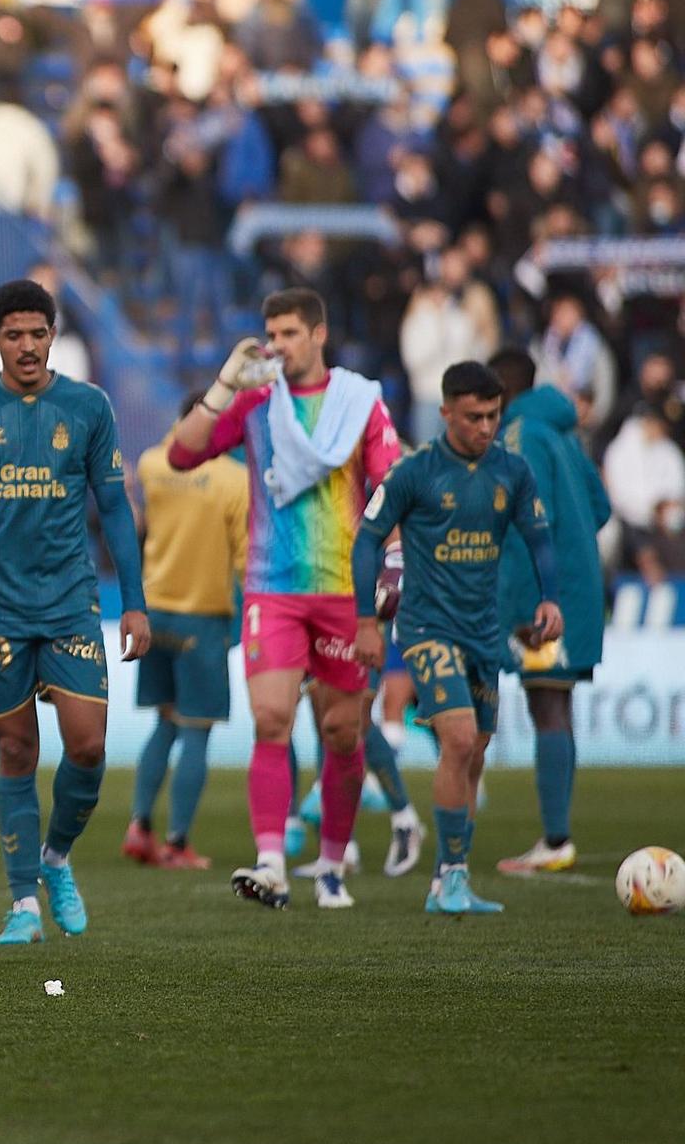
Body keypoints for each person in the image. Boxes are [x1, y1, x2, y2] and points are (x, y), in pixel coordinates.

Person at [0, 280, 150, 945]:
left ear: (53, 336)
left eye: (38, 333)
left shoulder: (86, 407)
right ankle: (23, 900)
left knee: (87, 745)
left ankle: (55, 858)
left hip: (72, 600)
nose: (27, 346)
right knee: (16, 748)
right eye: (14, 334)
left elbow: (113, 508)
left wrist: (134, 601)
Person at [169, 287, 403, 910]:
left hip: (341, 593)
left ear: (319, 334)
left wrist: (394, 568)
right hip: (271, 590)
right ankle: (271, 861)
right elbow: (181, 453)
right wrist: (222, 383)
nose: (277, 346)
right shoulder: (253, 401)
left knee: (343, 734)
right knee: (272, 719)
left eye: (290, 334)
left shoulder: (359, 404)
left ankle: (330, 865)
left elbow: (391, 485)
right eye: (271, 334)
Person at [354, 361, 562, 915]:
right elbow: (366, 539)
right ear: (446, 412)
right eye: (473, 417)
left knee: (474, 757)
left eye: (493, 415)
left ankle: (455, 877)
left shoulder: (511, 471)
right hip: (426, 628)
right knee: (461, 740)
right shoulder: (413, 472)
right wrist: (365, 621)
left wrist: (549, 597)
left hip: (482, 631)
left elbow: (539, 537)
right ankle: (447, 875)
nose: (486, 427)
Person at [488, 348, 611, 876]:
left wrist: (524, 604)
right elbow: (600, 506)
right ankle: (556, 836)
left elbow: (529, 522)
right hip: (578, 589)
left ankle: (556, 840)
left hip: (547, 598)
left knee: (547, 708)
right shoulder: (561, 431)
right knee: (556, 705)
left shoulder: (519, 436)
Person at [122, 392, 247, 871]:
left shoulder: (155, 465)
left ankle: (139, 824)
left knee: (164, 722)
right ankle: (176, 841)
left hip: (154, 614)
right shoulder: (235, 481)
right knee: (196, 730)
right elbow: (243, 558)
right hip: (203, 617)